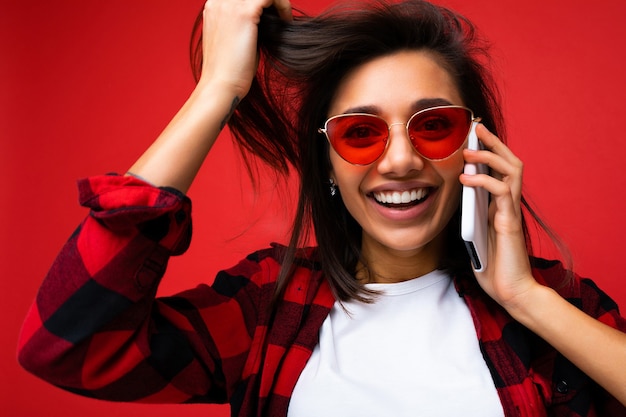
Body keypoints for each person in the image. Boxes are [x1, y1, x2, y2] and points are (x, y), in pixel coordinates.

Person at [17, 0, 626, 416]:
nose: (398, 162)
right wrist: (217, 90)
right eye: (360, 134)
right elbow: (66, 344)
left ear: (478, 146)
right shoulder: (266, 308)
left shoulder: (558, 310)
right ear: (328, 166)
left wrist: (525, 299)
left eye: (433, 126)